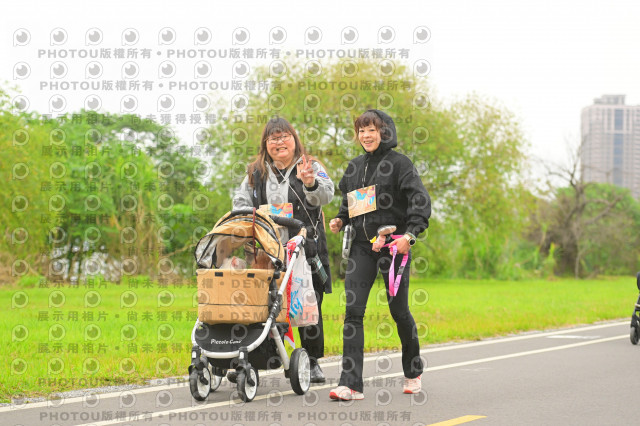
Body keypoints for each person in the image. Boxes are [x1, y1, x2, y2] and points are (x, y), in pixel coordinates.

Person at [328, 109, 431, 400]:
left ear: (385, 132)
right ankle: (350, 384)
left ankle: (413, 371)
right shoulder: (354, 166)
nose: (366, 135)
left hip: (393, 246)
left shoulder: (400, 164)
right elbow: (350, 205)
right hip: (362, 247)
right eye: (361, 131)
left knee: (399, 311)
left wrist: (409, 236)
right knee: (353, 312)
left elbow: (420, 201)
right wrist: (340, 220)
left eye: (371, 130)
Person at [233, 117, 334, 383]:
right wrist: (246, 217)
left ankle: (312, 361)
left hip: (306, 248)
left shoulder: (310, 165)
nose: (279, 142)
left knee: (308, 304)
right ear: (265, 144)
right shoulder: (255, 172)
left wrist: (310, 183)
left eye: (284, 136)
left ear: (294, 139)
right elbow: (240, 202)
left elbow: (328, 195)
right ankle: (258, 360)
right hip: (267, 252)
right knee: (261, 305)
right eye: (273, 138)